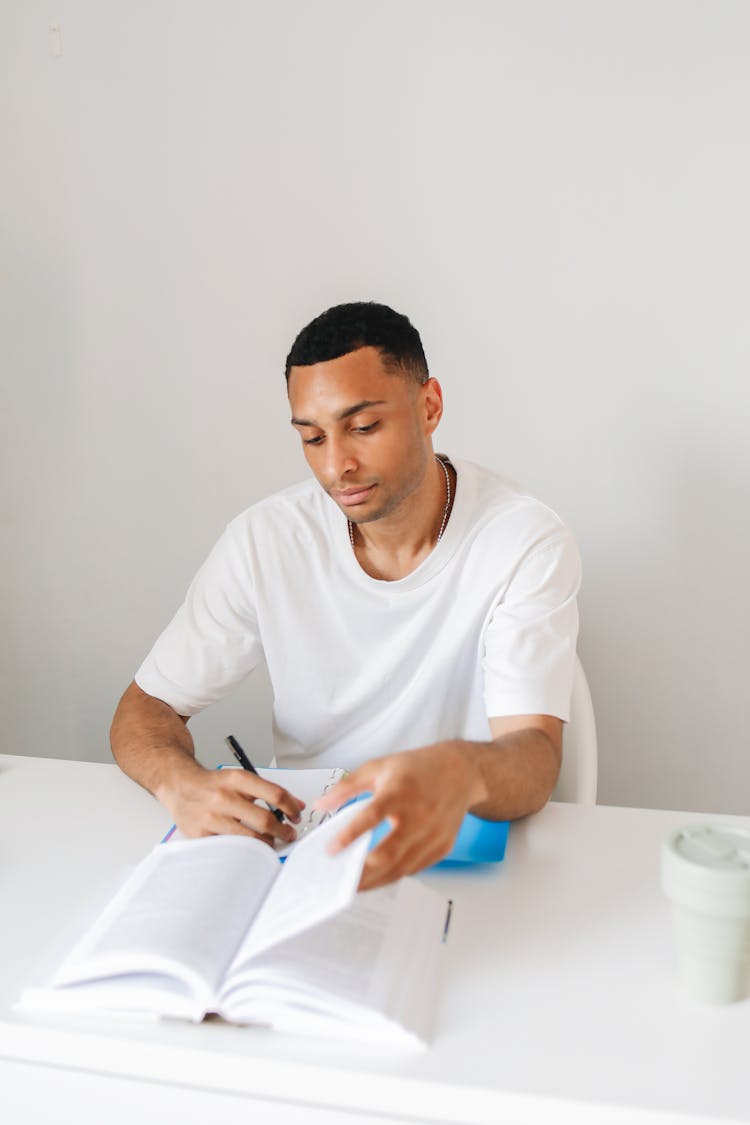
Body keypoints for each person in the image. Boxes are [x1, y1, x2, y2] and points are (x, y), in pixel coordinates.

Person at [111, 301, 580, 890]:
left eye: (363, 428)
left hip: (458, 856)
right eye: (312, 437)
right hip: (305, 859)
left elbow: (534, 758)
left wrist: (458, 770)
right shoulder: (265, 540)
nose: (337, 466)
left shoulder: (522, 539)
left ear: (429, 406)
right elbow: (143, 710)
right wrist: (181, 783)